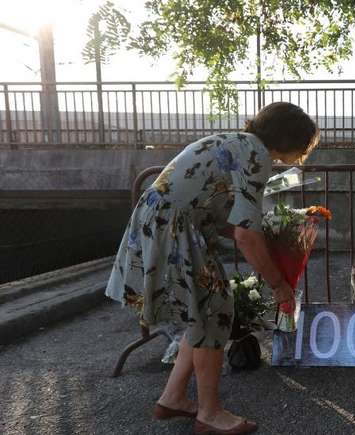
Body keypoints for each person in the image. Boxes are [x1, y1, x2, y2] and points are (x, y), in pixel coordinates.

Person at [105, 102, 319, 435]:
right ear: (290, 139)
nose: (302, 153)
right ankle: (209, 413)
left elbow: (226, 221)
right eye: (303, 145)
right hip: (173, 228)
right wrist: (279, 285)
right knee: (213, 311)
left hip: (160, 221)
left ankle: (174, 396)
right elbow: (246, 235)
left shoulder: (234, 141)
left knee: (206, 310)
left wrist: (266, 242)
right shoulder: (256, 156)